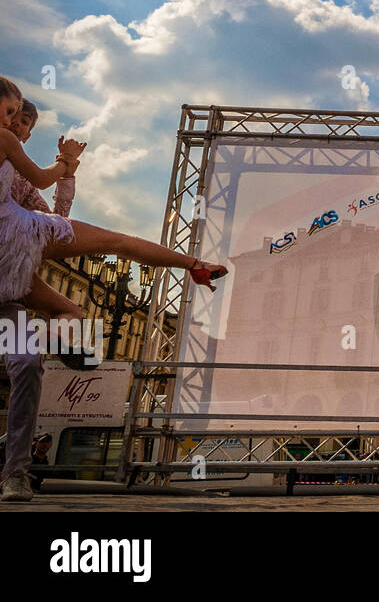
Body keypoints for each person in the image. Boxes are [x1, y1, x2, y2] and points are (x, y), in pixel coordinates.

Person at [0, 76, 227, 502]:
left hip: (14, 263)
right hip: (14, 247)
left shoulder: (21, 188)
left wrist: (66, 172)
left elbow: (61, 213)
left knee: (32, 359)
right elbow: (52, 194)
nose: (18, 129)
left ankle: (15, 472)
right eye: (14, 117)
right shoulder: (11, 157)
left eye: (22, 123)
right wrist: (65, 166)